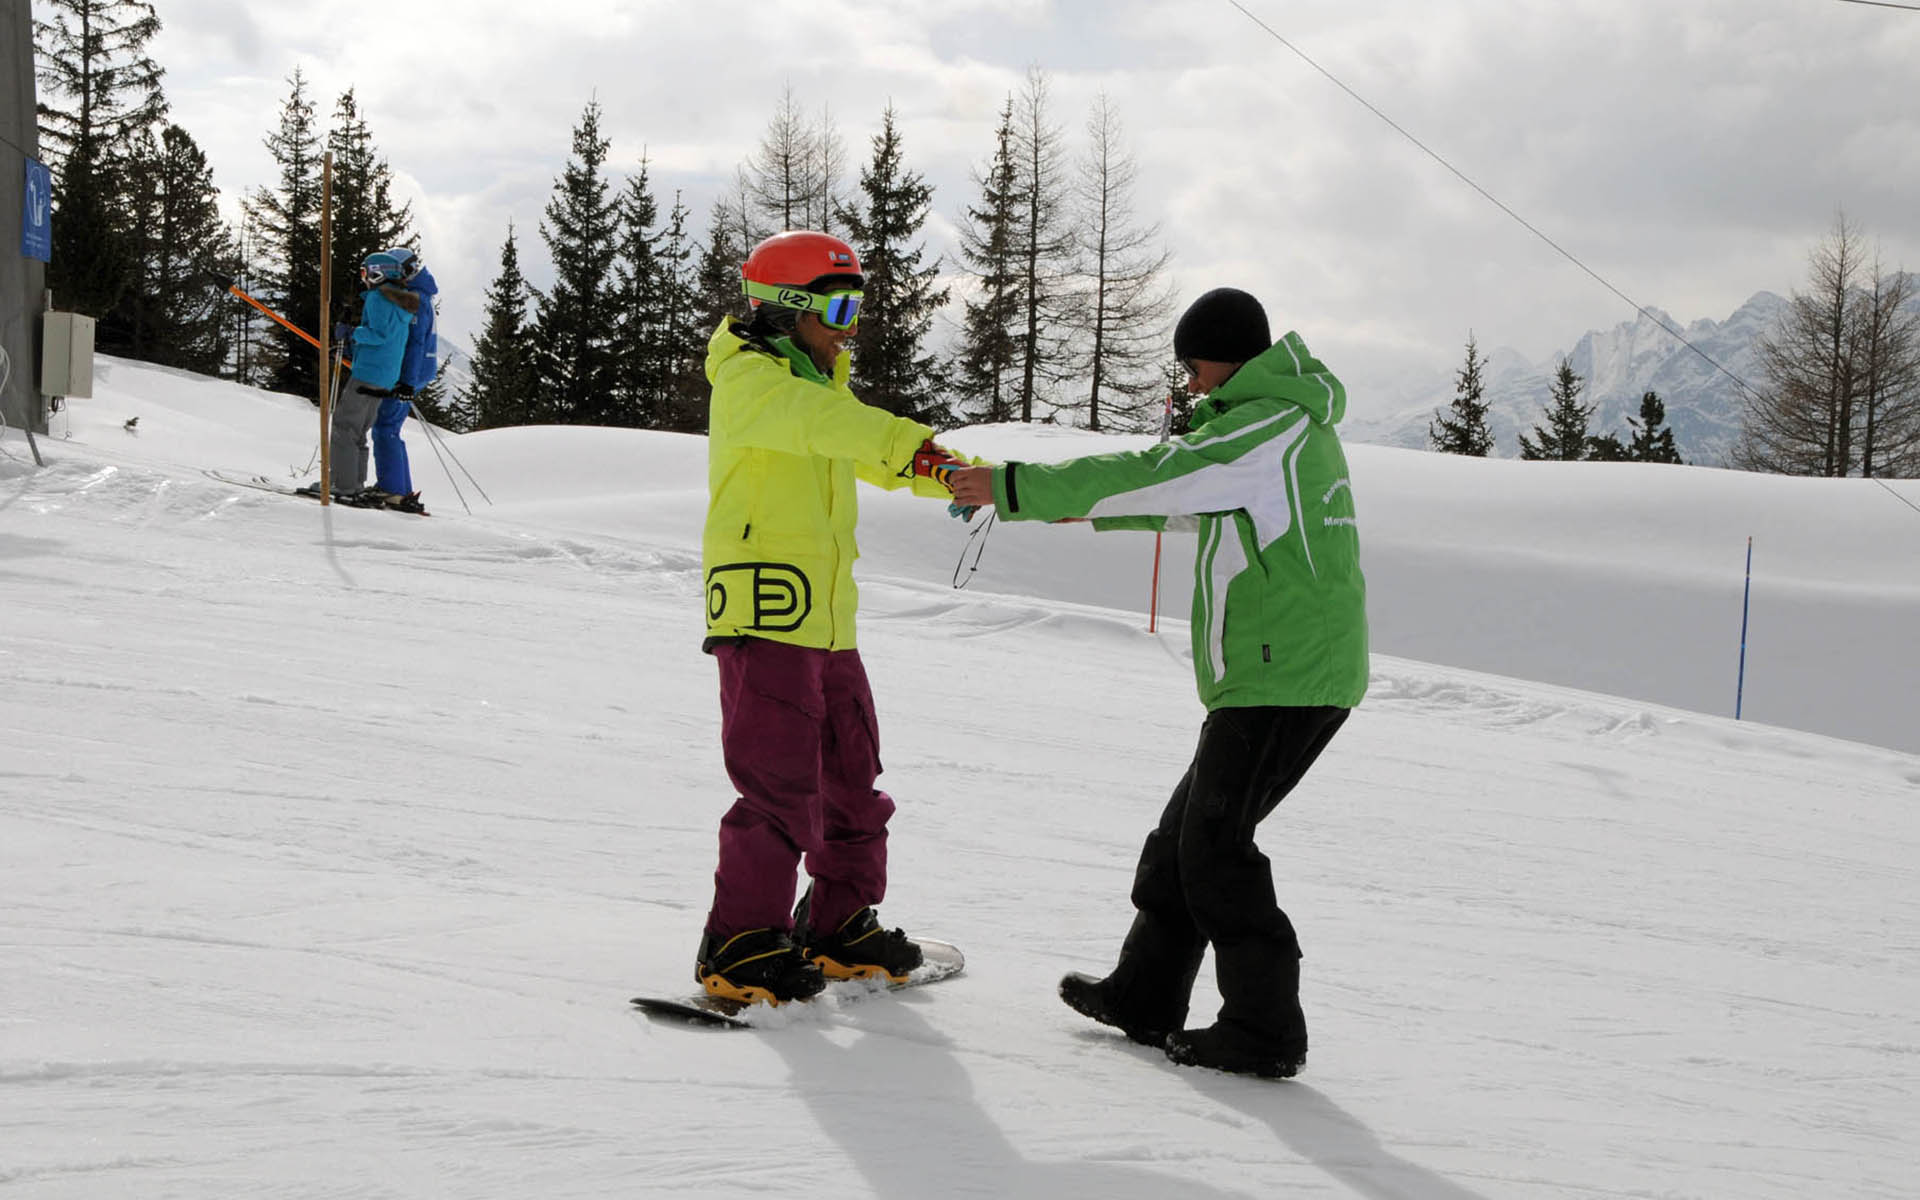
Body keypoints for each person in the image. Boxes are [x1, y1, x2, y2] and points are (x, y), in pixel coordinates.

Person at [945, 287, 1368, 1078]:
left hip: (1288, 674)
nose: (1190, 382)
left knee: (1215, 851)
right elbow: (1194, 504)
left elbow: (1165, 473)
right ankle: (1143, 995)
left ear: (1221, 355)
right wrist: (1086, 514)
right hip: (1282, 671)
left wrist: (1014, 488)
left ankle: (1265, 1031)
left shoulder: (1266, 429)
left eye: (1192, 364)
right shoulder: (1276, 426)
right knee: (1182, 842)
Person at [695, 229, 967, 1006]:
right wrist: (915, 447)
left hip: (828, 621)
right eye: (838, 305)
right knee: (779, 786)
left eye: (857, 305)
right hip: (764, 611)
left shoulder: (821, 383)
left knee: (853, 777)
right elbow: (829, 429)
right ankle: (742, 944)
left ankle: (839, 924)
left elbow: (860, 447)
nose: (850, 324)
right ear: (785, 308)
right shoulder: (750, 380)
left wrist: (942, 473)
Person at [303, 250, 417, 501]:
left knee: (344, 427)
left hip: (367, 373)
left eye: (366, 273)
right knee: (359, 430)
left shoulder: (378, 298)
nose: (364, 278)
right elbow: (389, 338)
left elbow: (377, 335)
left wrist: (352, 332)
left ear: (378, 273)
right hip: (385, 376)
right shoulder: (402, 303)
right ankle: (353, 482)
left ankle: (343, 485)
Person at [365, 245, 436, 514]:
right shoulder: (418, 293)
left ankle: (393, 489)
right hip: (414, 370)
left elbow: (415, 342)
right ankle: (398, 488)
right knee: (388, 426)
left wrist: (406, 381)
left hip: (413, 370)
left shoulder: (416, 298)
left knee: (385, 427)